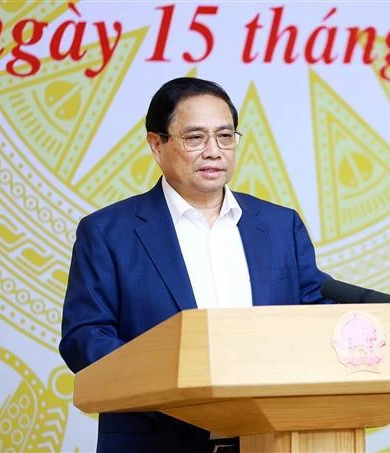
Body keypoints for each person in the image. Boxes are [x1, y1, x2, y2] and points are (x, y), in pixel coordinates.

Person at [59, 77, 331, 452]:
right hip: (157, 440)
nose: (214, 151)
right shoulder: (108, 232)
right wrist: (176, 388)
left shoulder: (280, 226)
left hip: (270, 439)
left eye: (225, 136)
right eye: (195, 138)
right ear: (157, 144)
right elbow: (84, 339)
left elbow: (312, 317)